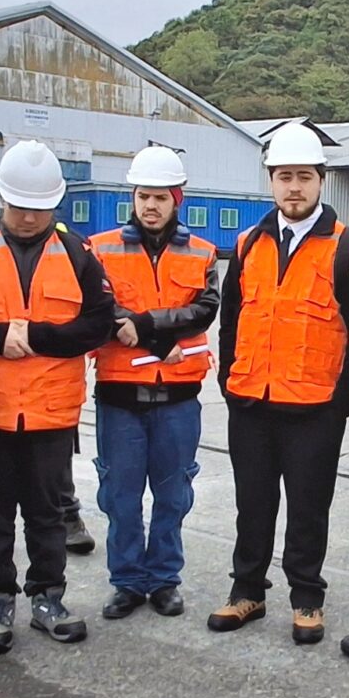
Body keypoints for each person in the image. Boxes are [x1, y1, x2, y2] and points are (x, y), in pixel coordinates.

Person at [213, 119, 349, 643]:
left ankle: (307, 599)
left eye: (304, 176)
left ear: (321, 180)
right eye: (284, 177)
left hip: (315, 409)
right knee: (251, 504)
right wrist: (230, 384)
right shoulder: (246, 244)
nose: (294, 187)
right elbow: (232, 321)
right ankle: (247, 593)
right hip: (251, 403)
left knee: (309, 507)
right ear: (271, 181)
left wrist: (340, 404)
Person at [0, 142, 116, 653]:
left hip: (50, 412)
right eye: (18, 206)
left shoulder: (78, 255)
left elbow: (98, 324)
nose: (28, 217)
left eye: (39, 207)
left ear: (56, 205)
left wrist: (38, 337)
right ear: (1, 198)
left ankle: (48, 596)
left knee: (49, 513)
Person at [88, 145, 217, 623]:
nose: (150, 206)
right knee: (120, 496)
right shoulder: (99, 248)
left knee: (172, 495)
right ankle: (126, 581)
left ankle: (163, 579)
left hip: (179, 398)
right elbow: (98, 306)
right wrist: (156, 334)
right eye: (143, 196)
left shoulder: (202, 253)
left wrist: (142, 325)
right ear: (133, 196)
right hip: (120, 396)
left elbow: (204, 309)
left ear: (176, 198)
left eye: (160, 197)